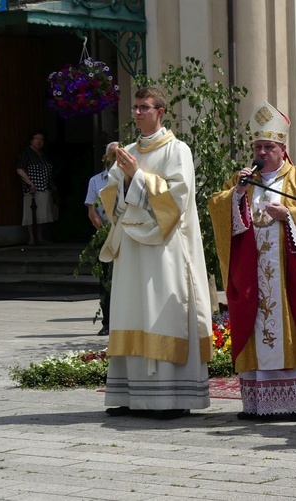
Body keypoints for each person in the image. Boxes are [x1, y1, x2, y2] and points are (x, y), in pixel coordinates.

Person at [208, 101, 296, 421]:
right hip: (253, 276)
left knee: (290, 328)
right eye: (258, 147)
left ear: (283, 149)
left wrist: (290, 216)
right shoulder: (242, 180)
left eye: (269, 147)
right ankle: (257, 403)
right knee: (255, 326)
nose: (262, 153)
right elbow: (218, 209)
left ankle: (295, 403)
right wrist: (237, 195)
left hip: (290, 279)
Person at [98, 86, 212, 419]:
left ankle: (170, 398)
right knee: (130, 310)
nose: (137, 113)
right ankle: (129, 395)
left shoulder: (178, 151)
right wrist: (123, 180)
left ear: (160, 111)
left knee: (161, 311)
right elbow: (112, 196)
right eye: (134, 107)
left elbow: (178, 200)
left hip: (165, 247)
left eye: (144, 107)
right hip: (133, 247)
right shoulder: (129, 150)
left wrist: (137, 176)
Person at [85, 141, 117, 337]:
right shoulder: (96, 181)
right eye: (112, 154)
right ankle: (108, 322)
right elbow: (91, 210)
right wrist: (104, 232)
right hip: (104, 234)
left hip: (126, 234)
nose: (115, 157)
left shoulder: (128, 178)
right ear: (106, 158)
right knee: (106, 279)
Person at [16, 130, 56, 245]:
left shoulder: (42, 155)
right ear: (31, 140)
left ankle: (40, 237)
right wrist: (30, 183)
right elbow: (20, 169)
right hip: (32, 190)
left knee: (42, 214)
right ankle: (32, 238)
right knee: (31, 214)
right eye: (37, 139)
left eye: (42, 140)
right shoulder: (26, 153)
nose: (39, 141)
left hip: (44, 188)